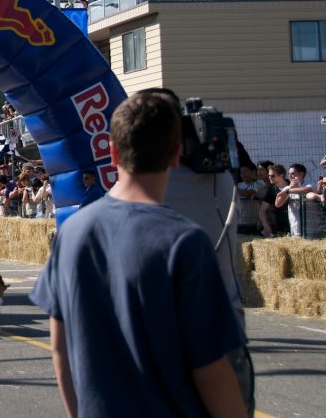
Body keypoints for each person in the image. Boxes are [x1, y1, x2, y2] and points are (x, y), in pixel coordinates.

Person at [30, 92, 246, 417]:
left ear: (113, 153)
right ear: (175, 156)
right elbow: (211, 370)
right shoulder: (185, 241)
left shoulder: (72, 233)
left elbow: (61, 348)